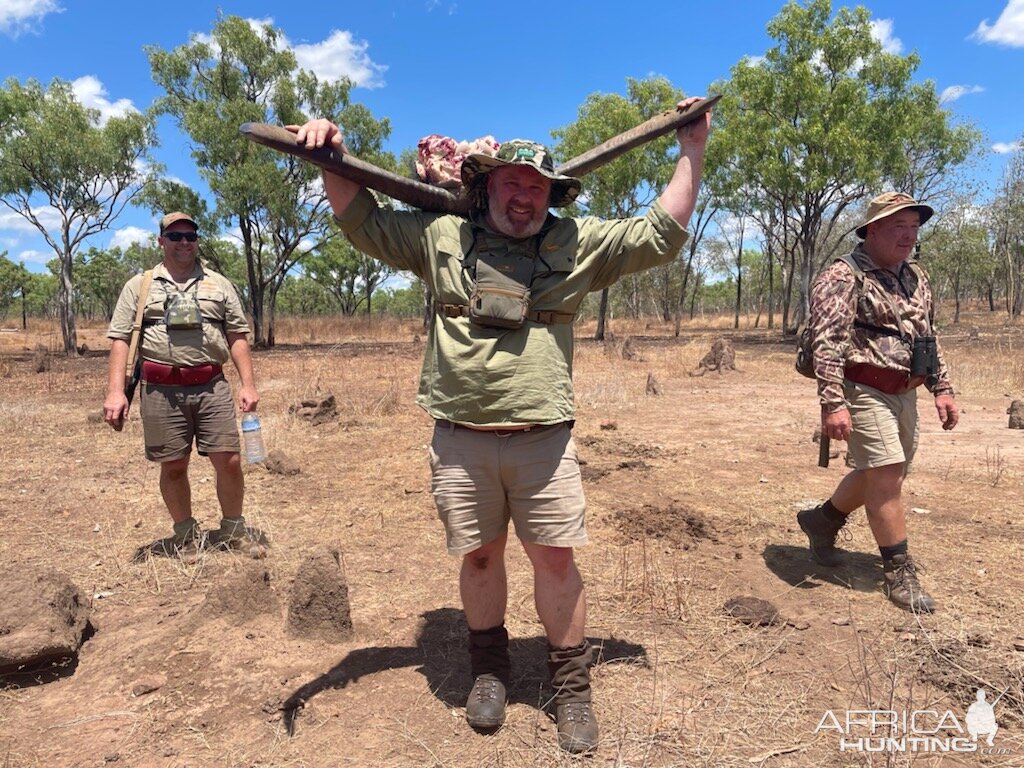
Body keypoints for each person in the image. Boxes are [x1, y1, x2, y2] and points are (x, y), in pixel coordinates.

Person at [290, 96, 711, 754]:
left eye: (539, 187)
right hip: (460, 440)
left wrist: (692, 149)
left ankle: (570, 687)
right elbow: (361, 220)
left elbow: (660, 232)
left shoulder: (575, 243)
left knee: (555, 560)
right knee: (480, 557)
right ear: (485, 184)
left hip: (543, 439)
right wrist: (328, 155)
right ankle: (489, 670)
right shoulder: (440, 236)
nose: (526, 197)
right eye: (514, 182)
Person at [799, 192, 959, 613]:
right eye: (897, 228)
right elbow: (827, 344)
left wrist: (942, 388)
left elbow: (928, 335)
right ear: (872, 230)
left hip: (904, 391)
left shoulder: (916, 277)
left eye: (914, 228)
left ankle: (821, 520)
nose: (908, 237)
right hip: (861, 388)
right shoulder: (843, 276)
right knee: (887, 474)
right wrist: (832, 403)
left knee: (885, 473)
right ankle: (898, 572)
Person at [103, 212, 264, 558]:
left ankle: (234, 530)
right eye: (175, 236)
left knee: (230, 460)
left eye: (190, 235)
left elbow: (237, 335)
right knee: (174, 465)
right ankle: (186, 536)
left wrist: (247, 384)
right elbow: (119, 339)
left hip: (212, 386)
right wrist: (116, 392)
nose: (184, 242)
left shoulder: (218, 284)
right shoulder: (140, 286)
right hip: (161, 390)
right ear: (161, 242)